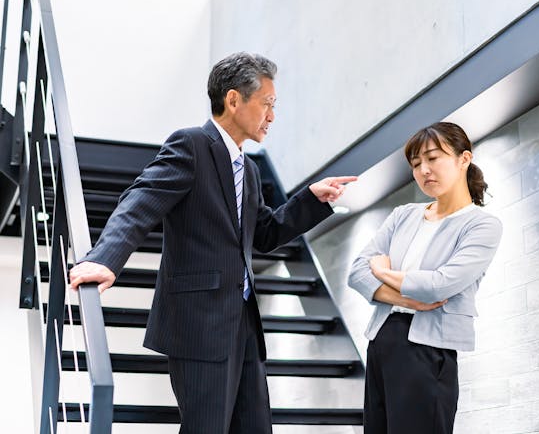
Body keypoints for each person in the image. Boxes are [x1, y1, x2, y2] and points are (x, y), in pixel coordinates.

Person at [69, 52, 356, 434]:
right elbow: (139, 203)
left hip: (243, 326)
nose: (273, 116)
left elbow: (264, 233)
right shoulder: (191, 145)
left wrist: (310, 201)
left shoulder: (249, 169)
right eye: (267, 104)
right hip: (199, 324)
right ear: (234, 100)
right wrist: (105, 258)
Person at [347, 121, 502, 434]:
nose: (424, 170)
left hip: (428, 347)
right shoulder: (403, 214)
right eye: (416, 164)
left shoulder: (481, 225)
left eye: (433, 158)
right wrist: (403, 297)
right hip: (381, 340)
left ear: (464, 159)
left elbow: (439, 285)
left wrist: (382, 271)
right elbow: (356, 272)